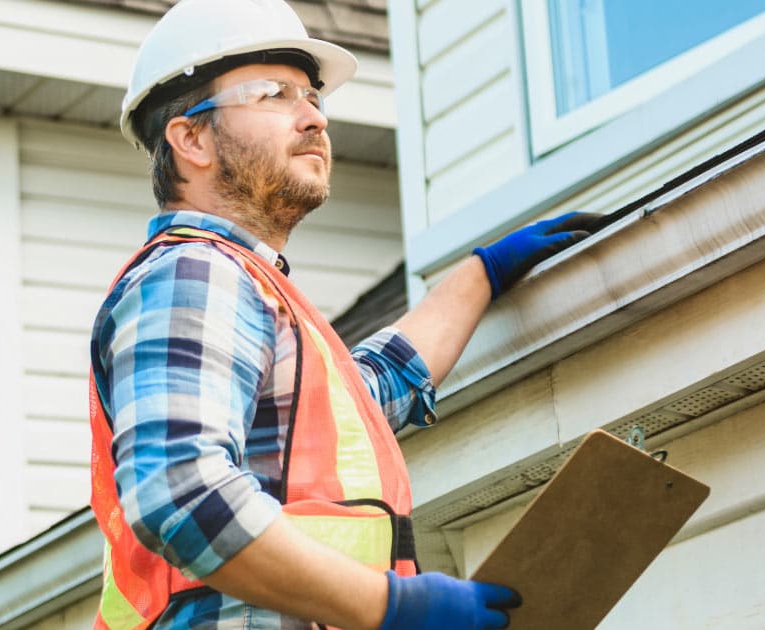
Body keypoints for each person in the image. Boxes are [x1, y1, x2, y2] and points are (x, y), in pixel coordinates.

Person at [87, 1, 604, 628]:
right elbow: (181, 493)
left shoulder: (249, 287)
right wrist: (391, 605)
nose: (313, 119)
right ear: (191, 138)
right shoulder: (195, 272)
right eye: (274, 94)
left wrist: (480, 275)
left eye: (313, 97)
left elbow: (366, 395)